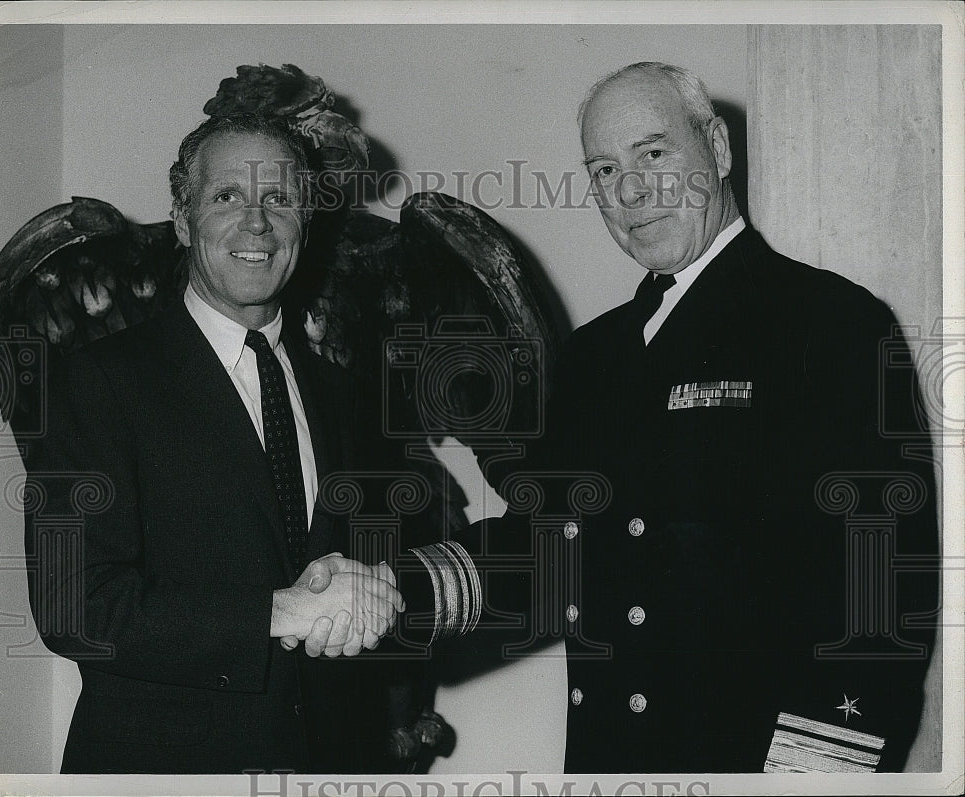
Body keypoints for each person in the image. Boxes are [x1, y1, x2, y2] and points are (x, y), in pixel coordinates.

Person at [356, 61, 939, 773]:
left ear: (718, 150)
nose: (630, 191)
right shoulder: (595, 356)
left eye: (654, 154)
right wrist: (393, 589)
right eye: (603, 171)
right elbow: (553, 548)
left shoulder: (830, 325)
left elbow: (878, 600)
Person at [22, 113, 405, 774]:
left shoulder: (348, 395)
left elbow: (364, 577)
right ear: (181, 219)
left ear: (303, 225)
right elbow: (72, 606)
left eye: (278, 199)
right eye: (227, 196)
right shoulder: (98, 380)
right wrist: (277, 611)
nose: (256, 223)